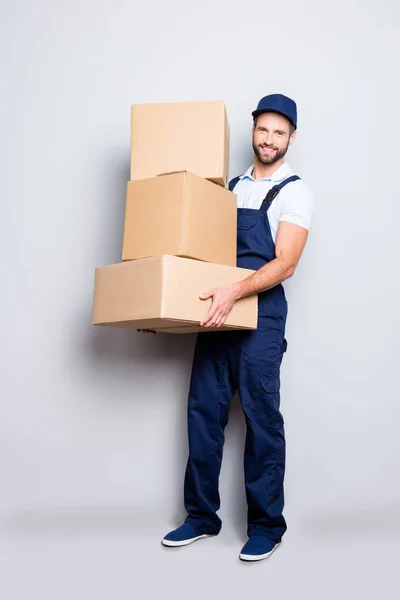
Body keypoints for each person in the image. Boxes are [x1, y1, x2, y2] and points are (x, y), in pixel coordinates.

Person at [159, 94, 315, 561]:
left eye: (279, 133)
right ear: (252, 131)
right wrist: (161, 308)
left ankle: (268, 525)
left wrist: (234, 291)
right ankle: (201, 517)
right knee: (203, 414)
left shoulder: (294, 191)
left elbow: (285, 263)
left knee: (261, 419)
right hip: (217, 311)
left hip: (261, 317)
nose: (270, 140)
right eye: (263, 130)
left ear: (291, 138)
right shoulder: (227, 188)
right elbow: (204, 261)